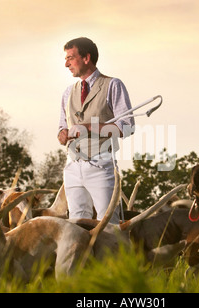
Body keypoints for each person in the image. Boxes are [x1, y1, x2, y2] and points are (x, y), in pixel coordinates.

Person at [58, 37, 135, 224]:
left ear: (86, 58)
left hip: (101, 164)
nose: (66, 63)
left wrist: (89, 128)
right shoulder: (68, 92)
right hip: (73, 166)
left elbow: (127, 126)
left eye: (70, 57)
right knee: (76, 224)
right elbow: (62, 126)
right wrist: (62, 134)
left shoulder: (113, 85)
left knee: (108, 224)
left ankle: (113, 254)